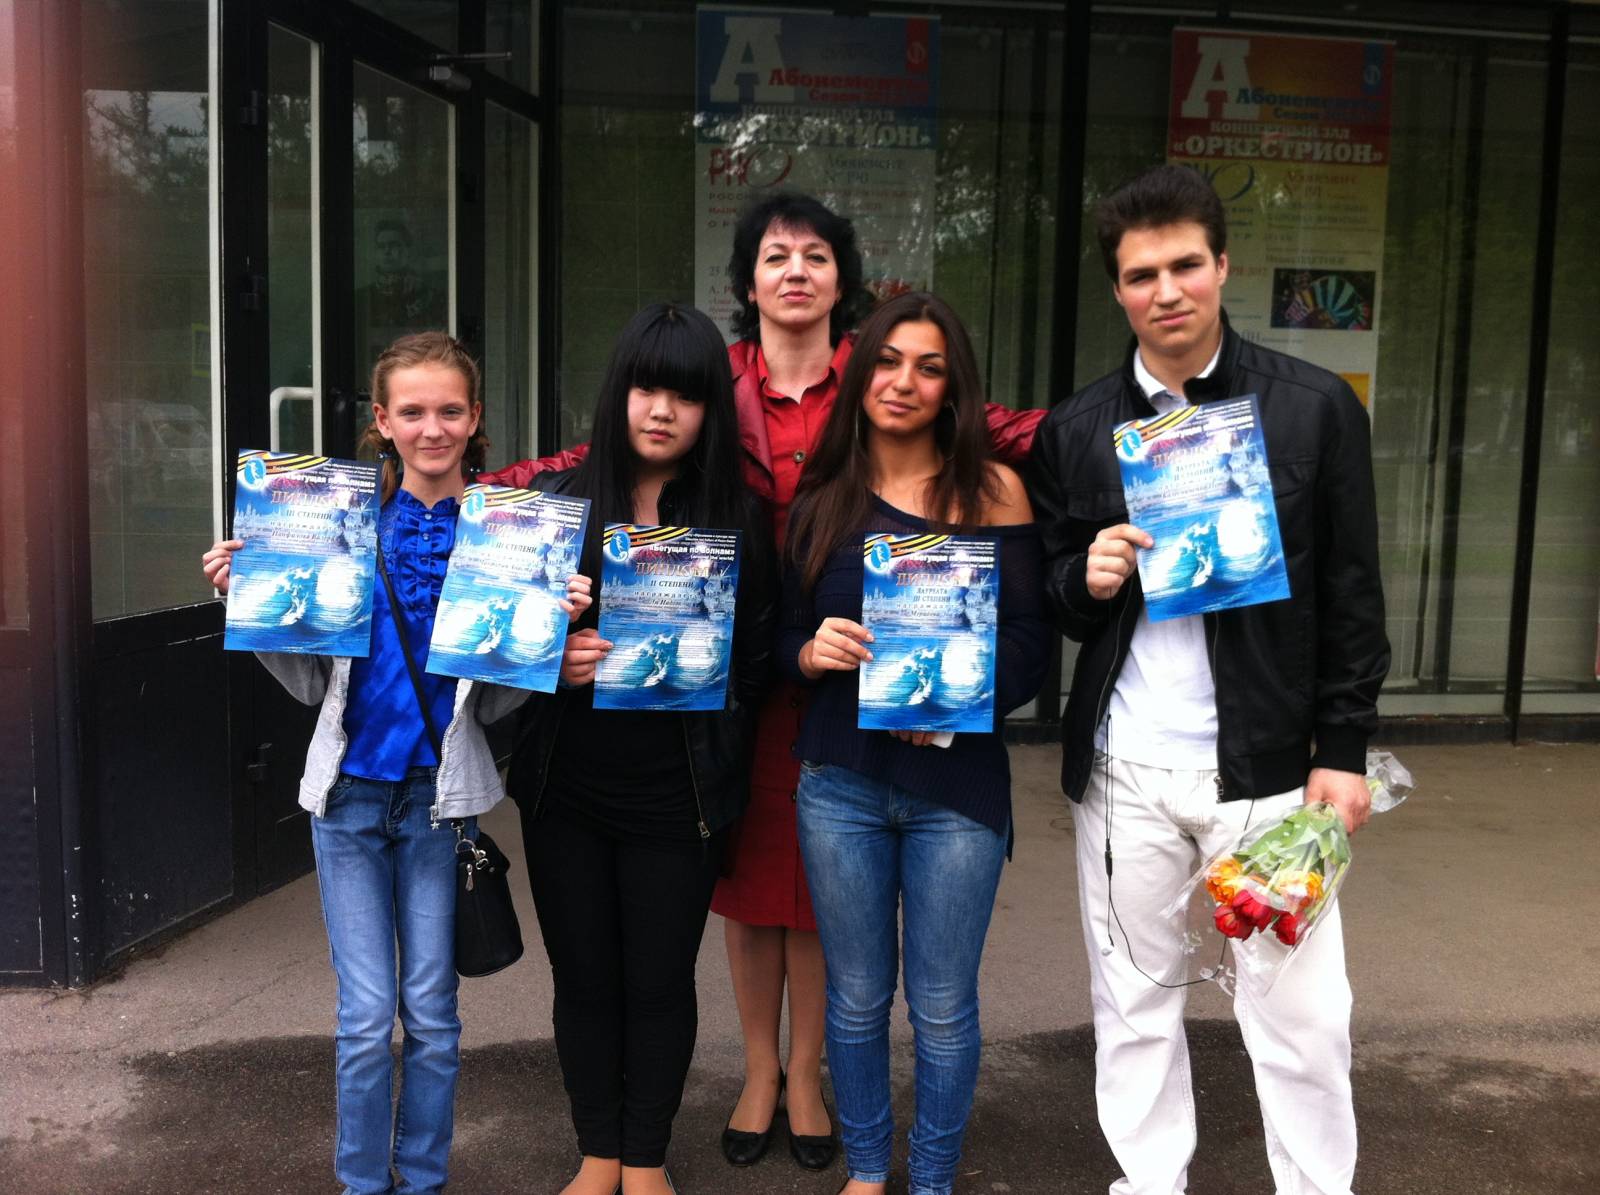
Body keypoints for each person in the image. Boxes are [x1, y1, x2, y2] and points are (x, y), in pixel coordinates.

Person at [482, 193, 1044, 1172]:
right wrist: (455, 485)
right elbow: (562, 487)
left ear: (842, 279)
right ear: (746, 279)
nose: (795, 271)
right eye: (776, 255)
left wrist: (1133, 437)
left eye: (815, 255)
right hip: (754, 678)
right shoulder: (711, 382)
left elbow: (1023, 438)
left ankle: (807, 1074)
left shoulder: (872, 376)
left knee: (821, 910)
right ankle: (756, 1072)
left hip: (811, 692)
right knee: (750, 889)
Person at [1028, 163, 1390, 1195]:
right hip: (1123, 769)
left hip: (1268, 772)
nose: (1167, 291)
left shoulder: (1312, 410)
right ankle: (1149, 1181)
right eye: (1142, 274)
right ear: (1117, 290)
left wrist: (1342, 751)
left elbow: (1353, 591)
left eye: (1185, 265)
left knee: (1301, 1013)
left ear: (1223, 265)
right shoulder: (1076, 430)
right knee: (1133, 1000)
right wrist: (1084, 575)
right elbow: (1054, 597)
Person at [201, 332, 582, 1195]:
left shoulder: (512, 535)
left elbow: (492, 706)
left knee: (435, 1018)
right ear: (382, 419)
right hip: (349, 800)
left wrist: (543, 632)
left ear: (475, 417)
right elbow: (310, 684)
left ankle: (423, 1180)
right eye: (412, 411)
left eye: (449, 410)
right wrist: (249, 602)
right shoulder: (336, 523)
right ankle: (363, 1184)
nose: (431, 427)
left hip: (439, 805)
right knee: (368, 1018)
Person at [779, 291, 1049, 1195]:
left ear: (953, 388)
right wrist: (808, 652)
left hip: (957, 791)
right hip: (842, 783)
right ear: (860, 377)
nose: (905, 382)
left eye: (929, 367)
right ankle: (867, 1169)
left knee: (941, 1005)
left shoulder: (994, 491)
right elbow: (777, 638)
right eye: (889, 362)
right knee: (856, 998)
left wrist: (957, 692)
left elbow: (1031, 648)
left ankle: (931, 1178)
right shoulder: (824, 496)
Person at [506, 302, 777, 1195]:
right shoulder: (554, 508)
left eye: (686, 395)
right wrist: (553, 660)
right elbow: (491, 649)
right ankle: (599, 1153)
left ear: (710, 411)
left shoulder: (738, 520)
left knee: (659, 982)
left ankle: (647, 1158)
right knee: (584, 979)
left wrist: (697, 650)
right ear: (617, 392)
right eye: (646, 388)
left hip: (680, 793)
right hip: (566, 789)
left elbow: (759, 663)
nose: (661, 410)